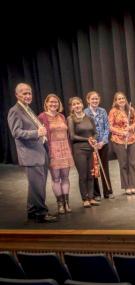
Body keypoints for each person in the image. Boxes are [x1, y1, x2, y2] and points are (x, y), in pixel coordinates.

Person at [8, 83, 57, 223]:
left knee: (36, 185)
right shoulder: (15, 111)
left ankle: (32, 211)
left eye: (29, 93)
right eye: (24, 93)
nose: (28, 96)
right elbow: (16, 132)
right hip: (30, 154)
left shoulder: (28, 109)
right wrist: (37, 132)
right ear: (17, 95)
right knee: (38, 185)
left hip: (39, 152)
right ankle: (41, 213)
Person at [38, 94, 75, 214]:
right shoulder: (42, 117)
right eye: (51, 102)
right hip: (53, 150)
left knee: (65, 178)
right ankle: (59, 204)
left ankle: (66, 204)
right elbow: (40, 135)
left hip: (65, 150)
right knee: (56, 178)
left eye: (56, 102)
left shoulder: (62, 116)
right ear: (46, 103)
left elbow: (67, 134)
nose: (54, 104)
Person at [68, 97, 99, 208]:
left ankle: (91, 197)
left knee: (91, 174)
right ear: (72, 107)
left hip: (90, 149)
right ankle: (85, 199)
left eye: (78, 103)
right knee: (83, 175)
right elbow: (72, 136)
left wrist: (94, 138)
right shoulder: (71, 119)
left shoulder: (89, 117)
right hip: (79, 150)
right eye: (74, 104)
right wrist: (88, 139)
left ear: (82, 104)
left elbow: (95, 132)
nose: (77, 106)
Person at [84, 91, 113, 200]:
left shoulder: (103, 111)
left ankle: (108, 191)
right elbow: (86, 130)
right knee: (94, 169)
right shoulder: (85, 112)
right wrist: (94, 143)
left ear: (99, 100)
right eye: (92, 99)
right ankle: (96, 194)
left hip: (103, 144)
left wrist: (103, 141)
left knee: (104, 168)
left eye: (96, 99)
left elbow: (107, 127)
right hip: (92, 145)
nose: (95, 101)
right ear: (88, 100)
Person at [108, 92, 135, 195]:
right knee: (124, 164)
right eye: (119, 99)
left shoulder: (131, 110)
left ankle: (133, 185)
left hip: (132, 139)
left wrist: (131, 127)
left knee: (132, 163)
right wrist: (121, 132)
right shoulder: (113, 111)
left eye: (123, 98)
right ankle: (126, 186)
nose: (121, 100)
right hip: (119, 140)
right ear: (115, 101)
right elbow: (110, 126)